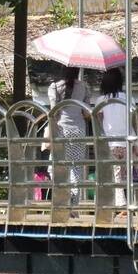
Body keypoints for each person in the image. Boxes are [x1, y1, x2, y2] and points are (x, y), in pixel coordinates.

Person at [47, 65, 90, 204]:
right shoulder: (84, 87)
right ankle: (73, 202)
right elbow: (86, 112)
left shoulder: (55, 87)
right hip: (79, 130)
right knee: (75, 167)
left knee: (55, 164)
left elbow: (54, 111)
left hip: (61, 130)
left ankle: (61, 196)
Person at [97, 67, 132, 210]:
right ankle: (128, 202)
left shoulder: (101, 100)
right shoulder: (128, 98)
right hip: (127, 140)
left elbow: (98, 119)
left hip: (110, 142)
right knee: (127, 175)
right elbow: (133, 118)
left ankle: (121, 204)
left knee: (115, 174)